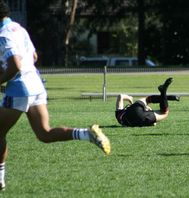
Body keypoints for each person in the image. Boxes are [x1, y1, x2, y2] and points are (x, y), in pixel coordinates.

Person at [0, 1, 110, 191]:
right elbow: (33, 57)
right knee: (45, 134)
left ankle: (0, 178)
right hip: (36, 84)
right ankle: (87, 134)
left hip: (20, 88)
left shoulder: (3, 35)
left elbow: (15, 65)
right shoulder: (18, 28)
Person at [115, 78, 179, 127]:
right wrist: (130, 99)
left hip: (134, 117)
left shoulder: (120, 116)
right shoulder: (119, 114)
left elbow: (153, 124)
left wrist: (130, 99)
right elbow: (120, 96)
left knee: (163, 112)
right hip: (136, 109)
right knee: (148, 100)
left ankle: (164, 93)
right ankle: (165, 94)